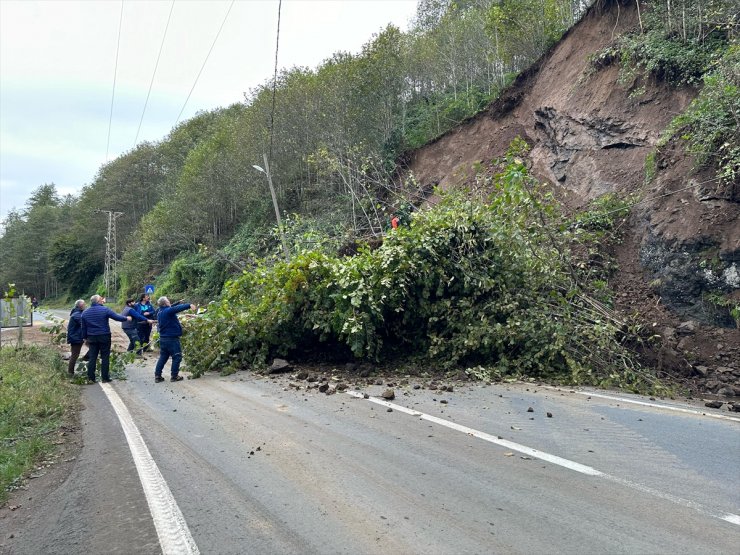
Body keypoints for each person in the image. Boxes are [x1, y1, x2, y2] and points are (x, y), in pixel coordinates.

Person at [81, 294, 131, 383]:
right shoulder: (105, 309)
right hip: (104, 336)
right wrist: (126, 318)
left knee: (92, 357)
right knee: (105, 357)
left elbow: (83, 328)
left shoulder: (85, 312)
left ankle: (91, 378)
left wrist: (85, 338)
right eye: (101, 299)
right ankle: (105, 377)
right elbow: (117, 317)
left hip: (92, 337)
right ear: (98, 301)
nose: (102, 300)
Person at [154, 296, 195, 383]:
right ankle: (174, 376)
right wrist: (189, 305)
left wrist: (178, 302)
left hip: (163, 338)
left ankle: (157, 376)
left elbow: (172, 307)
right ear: (165, 303)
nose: (169, 302)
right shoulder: (168, 311)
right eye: (168, 301)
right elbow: (176, 309)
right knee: (177, 356)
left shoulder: (159, 311)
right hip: (171, 339)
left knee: (163, 357)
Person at [66, 299, 87, 375]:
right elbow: (84, 323)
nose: (85, 305)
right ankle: (70, 372)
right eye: (84, 304)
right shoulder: (77, 314)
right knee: (74, 355)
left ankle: (87, 357)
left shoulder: (77, 313)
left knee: (75, 354)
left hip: (77, 336)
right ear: (80, 306)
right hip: (76, 338)